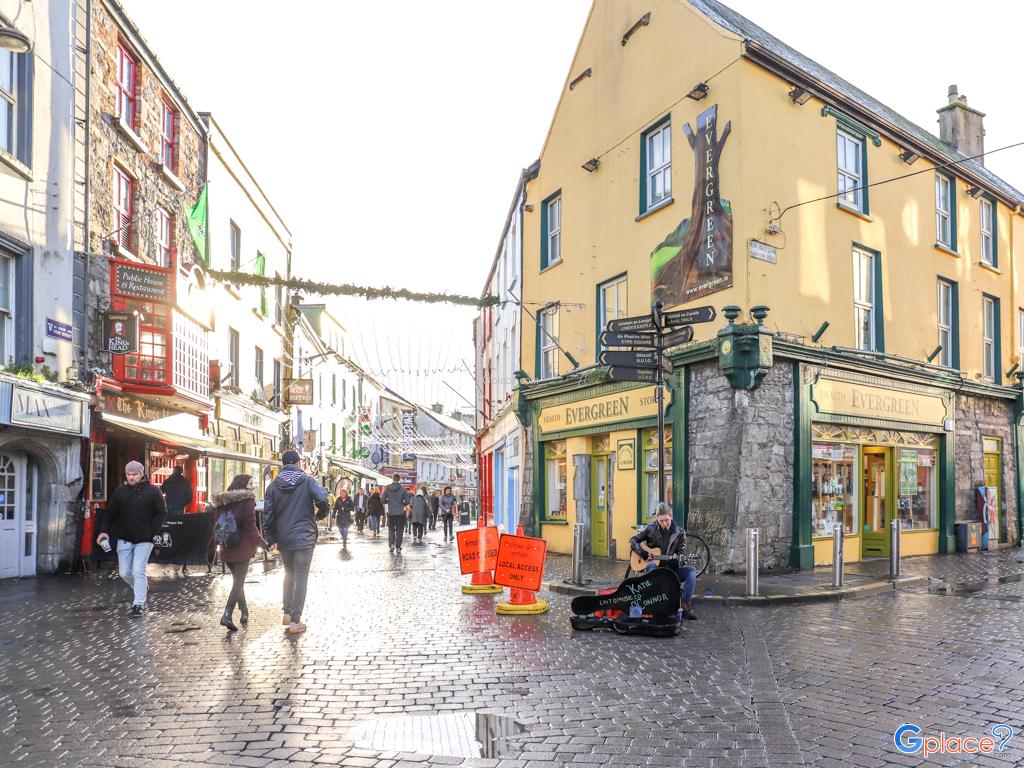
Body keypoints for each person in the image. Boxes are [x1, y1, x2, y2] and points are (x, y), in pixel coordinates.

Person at [263, 450, 329, 635]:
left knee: (289, 573)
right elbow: (322, 499)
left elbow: (267, 515)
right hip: (304, 536)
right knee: (301, 578)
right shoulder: (307, 480)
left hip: (284, 537)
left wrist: (271, 537)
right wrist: (319, 515)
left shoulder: (274, 486)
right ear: (299, 462)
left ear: (283, 464)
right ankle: (295, 621)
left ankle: (286, 612)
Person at [96, 461, 167, 616]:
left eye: (134, 474)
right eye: (129, 474)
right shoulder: (120, 492)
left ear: (141, 473)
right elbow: (109, 513)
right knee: (124, 573)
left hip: (145, 539)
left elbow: (161, 512)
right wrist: (103, 532)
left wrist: (153, 531)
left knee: (138, 570)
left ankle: (138, 604)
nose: (131, 477)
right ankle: (141, 588)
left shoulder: (153, 491)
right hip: (124, 538)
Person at [628, 502, 698, 620]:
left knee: (691, 571)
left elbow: (681, 553)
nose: (664, 523)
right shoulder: (650, 529)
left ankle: (684, 604)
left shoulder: (680, 533)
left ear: (671, 517)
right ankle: (654, 603)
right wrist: (643, 553)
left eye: (667, 520)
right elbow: (633, 540)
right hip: (655, 569)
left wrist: (676, 559)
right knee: (650, 566)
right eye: (661, 521)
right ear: (657, 519)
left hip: (672, 570)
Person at [214, 474, 266, 632]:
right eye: (251, 484)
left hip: (226, 548)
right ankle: (227, 615)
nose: (253, 487)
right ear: (244, 485)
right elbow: (251, 526)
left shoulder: (223, 501)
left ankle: (244, 612)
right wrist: (262, 543)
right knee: (238, 583)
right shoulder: (248, 501)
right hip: (242, 548)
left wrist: (211, 548)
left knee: (238, 581)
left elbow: (215, 524)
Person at [381, 474, 410, 554]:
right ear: (399, 479)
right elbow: (407, 501)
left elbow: (382, 500)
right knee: (399, 531)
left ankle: (391, 545)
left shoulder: (387, 489)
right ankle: (398, 547)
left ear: (392, 479)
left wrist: (389, 502)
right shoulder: (403, 490)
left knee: (391, 530)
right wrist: (402, 503)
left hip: (391, 513)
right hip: (400, 513)